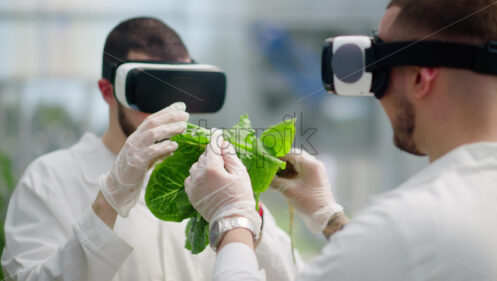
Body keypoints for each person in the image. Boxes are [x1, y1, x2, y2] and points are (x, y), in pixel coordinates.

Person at [184, 0, 497, 280]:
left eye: (379, 74)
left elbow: (404, 247)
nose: (378, 97)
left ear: (420, 77)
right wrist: (329, 218)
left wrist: (232, 219)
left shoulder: (409, 223)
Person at [1, 17, 301, 281]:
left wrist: (247, 208)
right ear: (107, 91)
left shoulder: (215, 177)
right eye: (152, 90)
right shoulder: (48, 180)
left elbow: (291, 274)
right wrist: (111, 197)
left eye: (181, 89)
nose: (170, 106)